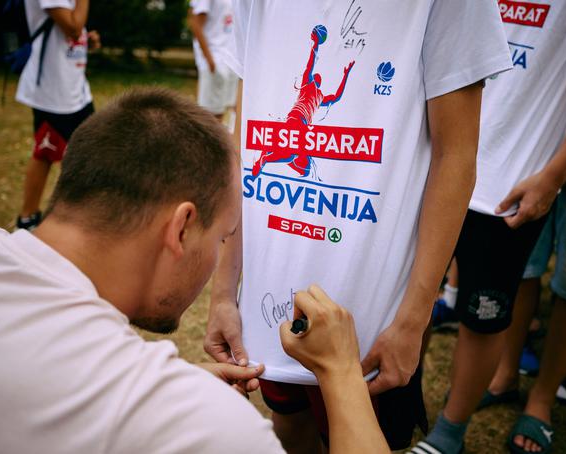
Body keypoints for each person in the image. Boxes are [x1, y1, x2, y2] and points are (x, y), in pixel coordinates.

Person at [0, 88, 390, 454]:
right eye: (223, 236)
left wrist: (178, 386)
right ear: (182, 228)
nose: (218, 255)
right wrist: (343, 374)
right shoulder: (200, 427)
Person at [205, 2, 512, 452]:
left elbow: (457, 156)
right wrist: (222, 292)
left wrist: (413, 320)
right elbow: (245, 145)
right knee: (289, 427)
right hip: (270, 305)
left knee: (365, 439)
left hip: (371, 322)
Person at [418, 2, 566, 453]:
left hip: (513, 169)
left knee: (491, 309)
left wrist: (561, 169)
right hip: (438, 151)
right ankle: (410, 404)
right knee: (414, 293)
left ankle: (451, 435)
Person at [15, 0, 98, 231]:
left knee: (89, 151)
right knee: (46, 152)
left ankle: (74, 217)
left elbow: (73, 32)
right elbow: (72, 25)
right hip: (52, 90)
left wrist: (86, 40)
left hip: (77, 89)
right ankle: (27, 219)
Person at [251, 30, 354, 177]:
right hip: (296, 118)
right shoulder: (307, 85)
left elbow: (336, 97)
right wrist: (316, 45)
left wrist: (346, 75)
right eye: (316, 76)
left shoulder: (320, 98)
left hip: (301, 124)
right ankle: (266, 158)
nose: (317, 77)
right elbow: (310, 65)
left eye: (318, 77)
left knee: (303, 168)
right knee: (291, 154)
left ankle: (268, 153)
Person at [188, 0, 238, 122]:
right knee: (211, 115)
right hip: (215, 59)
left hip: (230, 59)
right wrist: (209, 59)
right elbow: (195, 23)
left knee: (231, 108)